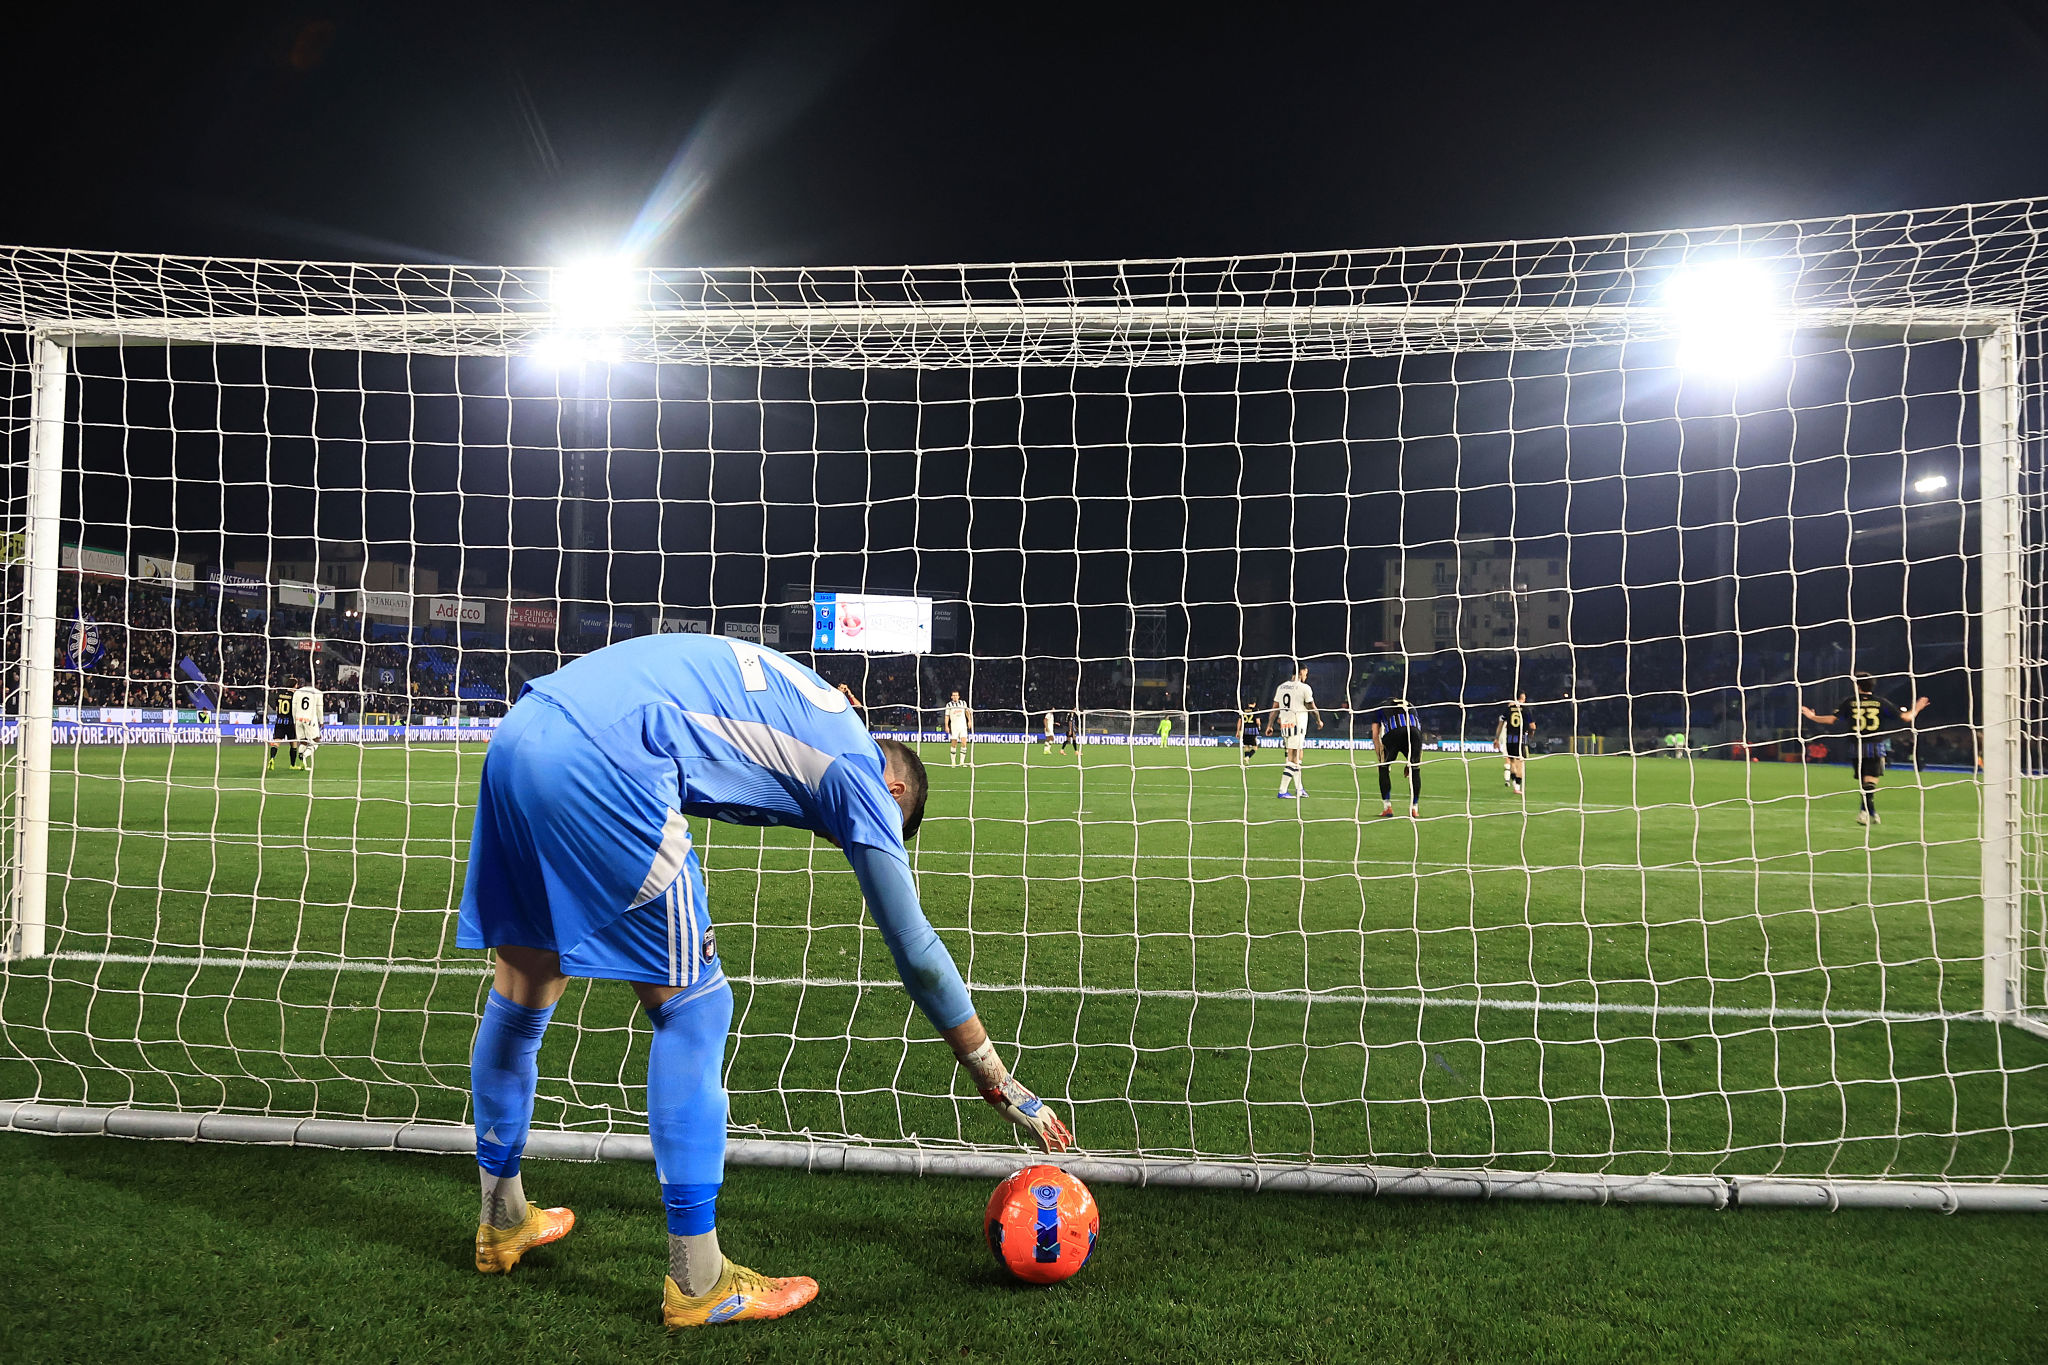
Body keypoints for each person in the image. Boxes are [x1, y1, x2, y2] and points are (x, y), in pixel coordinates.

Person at [457, 634, 1072, 1328]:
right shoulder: (865, 777)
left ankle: (501, 1218)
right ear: (894, 789)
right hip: (607, 761)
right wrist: (995, 1076)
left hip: (524, 730)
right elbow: (915, 945)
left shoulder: (825, 708)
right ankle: (701, 1280)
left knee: (526, 980)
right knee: (696, 1006)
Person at [1800, 673, 1929, 826]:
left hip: (1856, 746)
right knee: (1870, 783)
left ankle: (1870, 813)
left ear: (1857, 685)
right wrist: (1917, 708)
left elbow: (1832, 720)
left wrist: (1812, 716)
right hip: (1875, 745)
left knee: (1864, 784)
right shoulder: (1880, 702)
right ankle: (1866, 812)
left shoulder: (1850, 702)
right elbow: (1906, 718)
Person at [1266, 666, 1322, 799]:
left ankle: (1299, 788)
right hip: (1298, 726)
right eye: (1306, 673)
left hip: (1285, 726)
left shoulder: (1282, 687)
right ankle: (1282, 790)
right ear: (1301, 672)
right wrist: (1319, 720)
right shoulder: (1304, 688)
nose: (1306, 676)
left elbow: (1275, 709)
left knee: (1296, 756)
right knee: (1294, 759)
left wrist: (1270, 725)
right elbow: (1312, 707)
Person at [1374, 697, 1424, 818]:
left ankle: (1387, 808)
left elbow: (1375, 735)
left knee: (1383, 768)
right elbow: (1418, 729)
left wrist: (1381, 760)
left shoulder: (1380, 707)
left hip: (1394, 733)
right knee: (1415, 769)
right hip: (1414, 733)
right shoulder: (1411, 705)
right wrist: (1411, 763)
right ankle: (1414, 808)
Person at [1496, 693, 1533, 799]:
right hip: (1520, 739)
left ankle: (1513, 783)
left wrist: (1496, 738)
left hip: (1510, 739)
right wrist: (1531, 733)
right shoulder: (1525, 710)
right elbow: (1532, 726)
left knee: (1511, 761)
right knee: (1520, 763)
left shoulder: (1508, 709)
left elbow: (1501, 724)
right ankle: (1517, 787)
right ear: (1521, 699)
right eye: (1524, 698)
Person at [265, 690, 298, 772]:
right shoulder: (294, 696)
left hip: (279, 721)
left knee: (276, 742)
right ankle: (292, 765)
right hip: (290, 722)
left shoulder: (279, 694)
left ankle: (272, 758)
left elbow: (276, 707)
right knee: (293, 743)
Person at [943, 690, 972, 767]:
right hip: (954, 726)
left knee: (964, 742)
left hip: (963, 726)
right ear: (951, 697)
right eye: (954, 695)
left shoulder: (963, 703)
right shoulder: (949, 705)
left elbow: (967, 712)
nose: (955, 697)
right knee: (954, 743)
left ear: (958, 696)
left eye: (956, 695)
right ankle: (953, 762)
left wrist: (969, 721)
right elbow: (947, 716)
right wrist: (946, 726)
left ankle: (962, 762)